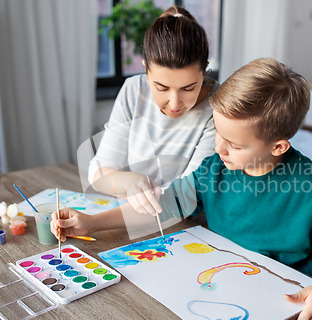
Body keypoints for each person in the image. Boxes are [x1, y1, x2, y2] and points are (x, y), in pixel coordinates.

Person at [53, 58, 312, 320]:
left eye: (236, 144)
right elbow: (161, 205)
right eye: (218, 133)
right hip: (218, 286)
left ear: (278, 146)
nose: (219, 148)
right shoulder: (215, 168)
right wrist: (92, 221)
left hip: (281, 306)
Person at [88, 6, 219, 215]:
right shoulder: (133, 90)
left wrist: (125, 188)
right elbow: (98, 174)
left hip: (188, 226)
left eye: (188, 88)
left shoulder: (219, 106)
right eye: (161, 88)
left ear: (205, 70)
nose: (174, 103)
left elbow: (188, 195)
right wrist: (135, 181)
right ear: (145, 70)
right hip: (133, 220)